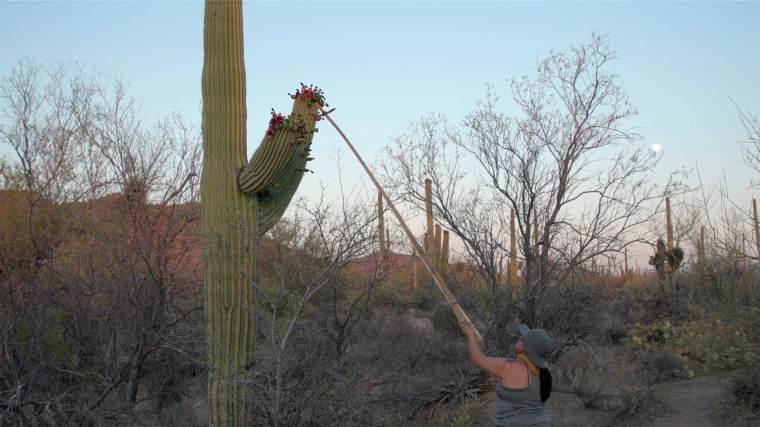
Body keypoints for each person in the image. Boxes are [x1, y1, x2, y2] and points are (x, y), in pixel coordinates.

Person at [460, 322, 553, 427]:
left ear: (528, 348)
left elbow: (478, 360)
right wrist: (497, 377)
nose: (520, 337)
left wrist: (470, 336)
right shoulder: (545, 369)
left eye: (523, 339)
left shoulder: (511, 366)